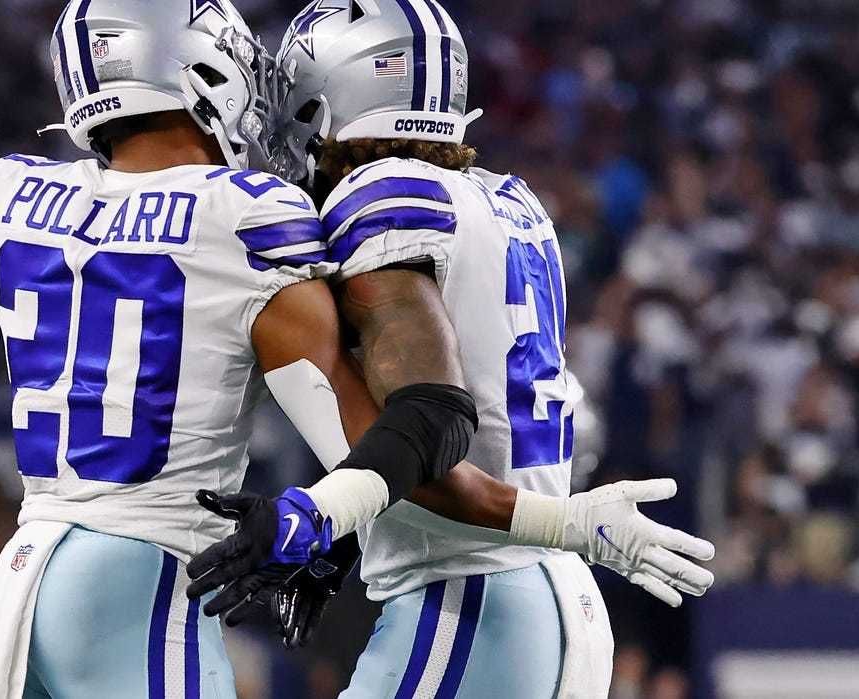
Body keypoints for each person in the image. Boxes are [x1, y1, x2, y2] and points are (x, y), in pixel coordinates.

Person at [0, 1, 482, 696]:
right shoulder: (249, 215)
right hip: (143, 580)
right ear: (201, 68)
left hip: (26, 577)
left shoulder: (9, 197)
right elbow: (364, 452)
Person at [186, 2, 716, 697]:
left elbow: (431, 420)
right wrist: (341, 541)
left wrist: (316, 516)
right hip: (553, 597)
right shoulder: (508, 201)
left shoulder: (383, 192)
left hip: (470, 603)